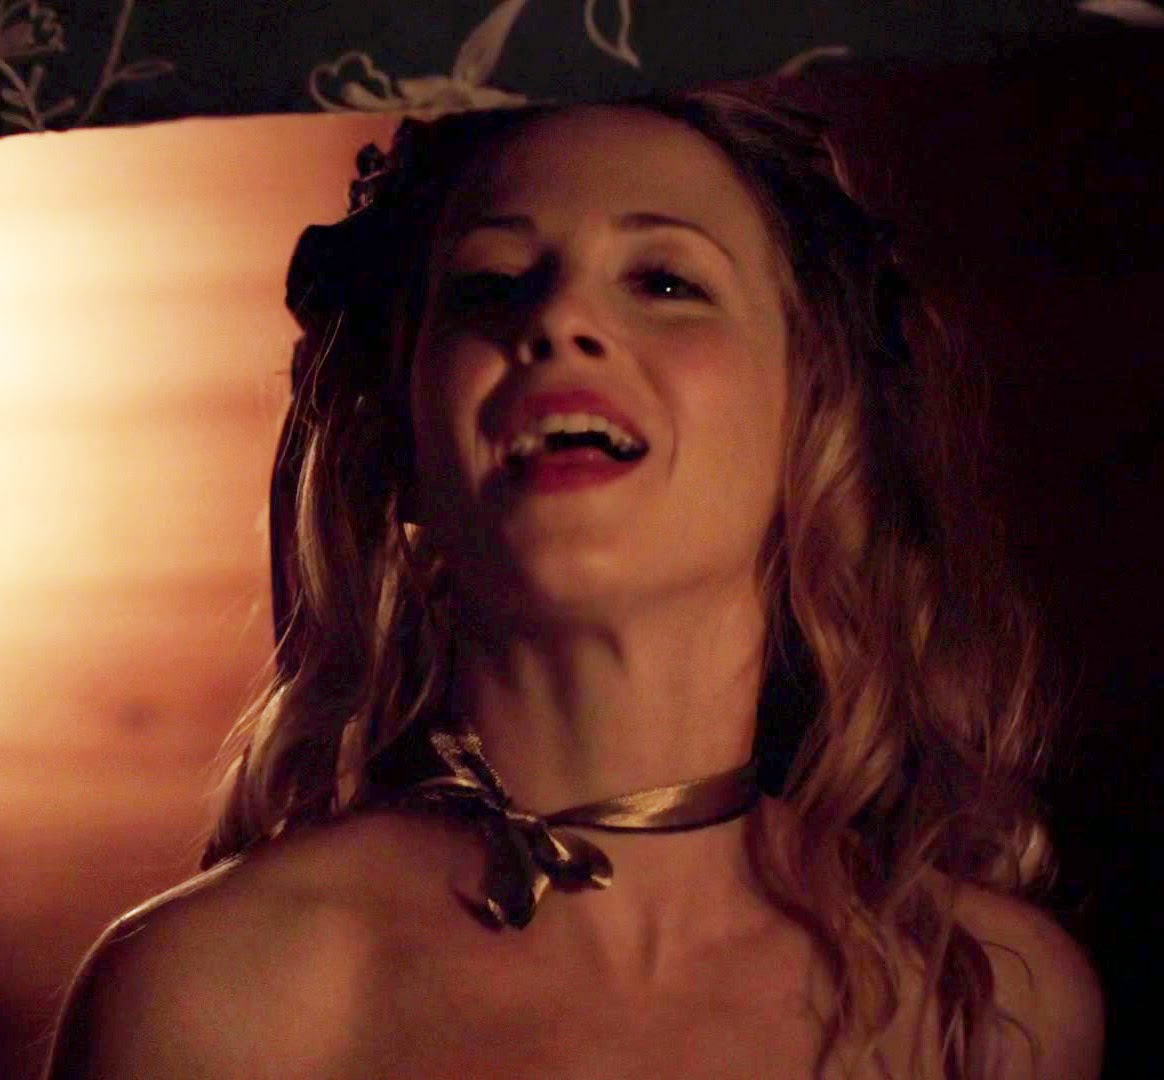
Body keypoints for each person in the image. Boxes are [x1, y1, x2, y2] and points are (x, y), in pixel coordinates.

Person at [46, 82, 1103, 1078]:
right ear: (405, 432)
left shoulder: (988, 1004)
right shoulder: (215, 999)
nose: (557, 320)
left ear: (819, 418)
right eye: (490, 285)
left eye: (666, 281)